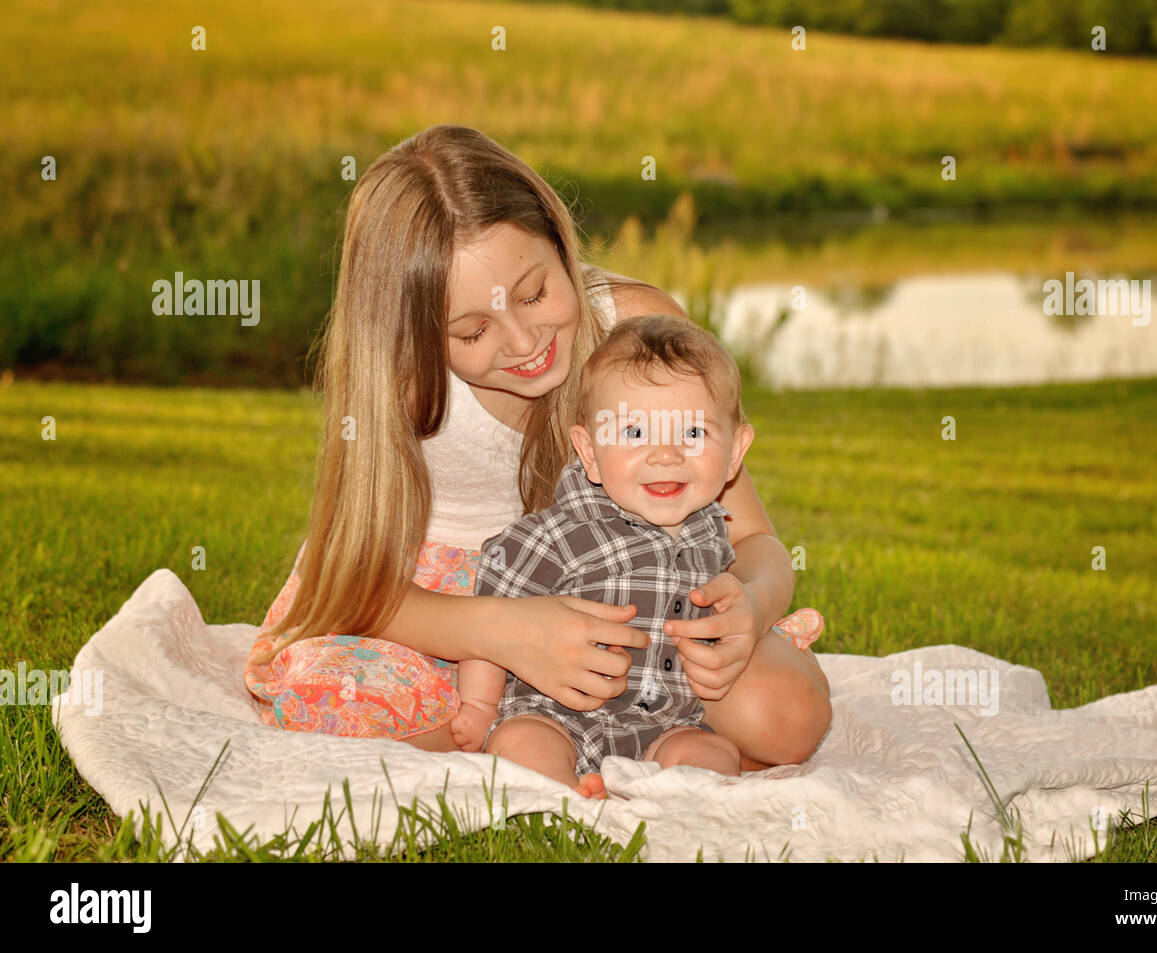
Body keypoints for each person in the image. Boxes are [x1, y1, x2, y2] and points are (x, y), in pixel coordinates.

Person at [243, 124, 830, 771]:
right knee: (333, 702)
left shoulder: (635, 334)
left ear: (558, 240)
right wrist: (509, 633)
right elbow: (350, 583)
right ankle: (545, 738)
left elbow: (755, 541)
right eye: (472, 331)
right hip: (442, 616)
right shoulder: (402, 384)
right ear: (414, 335)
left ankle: (562, 745)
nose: (524, 341)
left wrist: (750, 603)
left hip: (642, 590)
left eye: (534, 293)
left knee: (785, 712)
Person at [453, 315, 821, 798]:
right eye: (633, 434)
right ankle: (568, 797)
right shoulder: (562, 533)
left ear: (735, 453)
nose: (664, 455)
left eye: (692, 434)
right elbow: (493, 602)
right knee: (520, 747)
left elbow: (741, 587)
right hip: (555, 712)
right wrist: (480, 705)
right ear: (588, 450)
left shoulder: (712, 535)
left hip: (667, 721)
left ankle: (674, 804)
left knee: (713, 758)